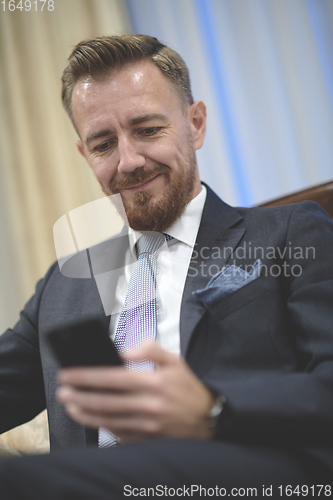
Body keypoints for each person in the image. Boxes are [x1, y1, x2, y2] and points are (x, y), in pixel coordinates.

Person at [0, 34, 333, 499]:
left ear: (195, 124)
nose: (129, 161)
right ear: (85, 154)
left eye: (148, 130)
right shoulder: (64, 283)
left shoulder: (290, 233)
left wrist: (214, 408)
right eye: (103, 144)